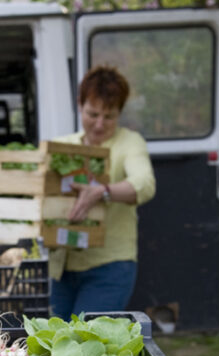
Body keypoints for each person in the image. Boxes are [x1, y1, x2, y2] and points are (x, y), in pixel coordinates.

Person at [49, 65, 156, 319]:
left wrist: (101, 192)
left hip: (110, 267)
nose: (98, 124)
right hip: (62, 268)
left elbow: (144, 183)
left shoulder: (129, 143)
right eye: (92, 113)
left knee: (84, 340)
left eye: (108, 116)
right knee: (55, 341)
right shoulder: (63, 146)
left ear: (120, 113)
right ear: (79, 105)